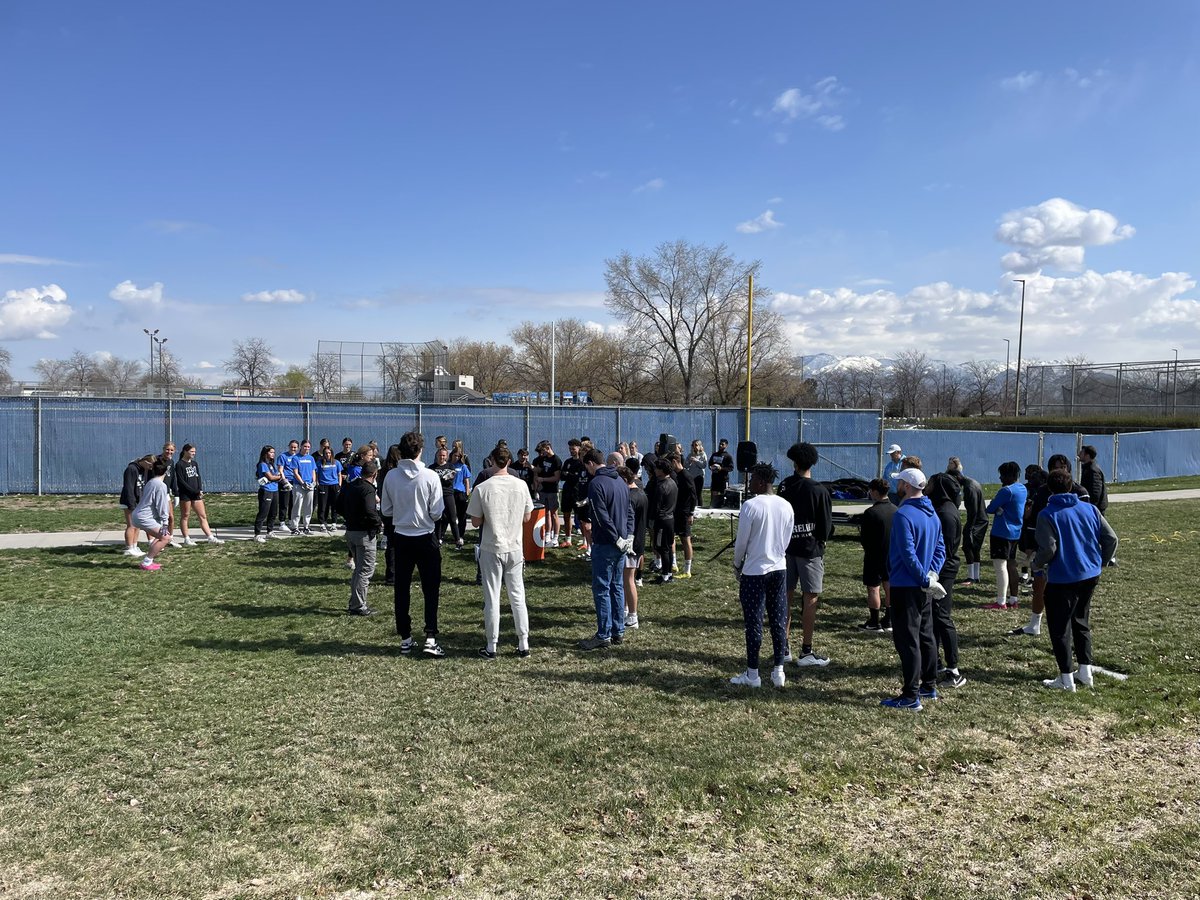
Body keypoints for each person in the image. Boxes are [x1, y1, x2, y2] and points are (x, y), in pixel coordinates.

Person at [1033, 469, 1119, 691]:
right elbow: (1111, 538)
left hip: (1062, 578)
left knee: (1059, 628)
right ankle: (1085, 671)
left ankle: (1066, 679)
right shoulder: (1090, 509)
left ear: (1049, 489)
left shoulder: (1047, 514)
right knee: (1081, 620)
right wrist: (1101, 561)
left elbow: (1048, 549)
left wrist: (1036, 564)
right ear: (1071, 486)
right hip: (1089, 574)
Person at [880, 468, 946, 710]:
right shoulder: (932, 513)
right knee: (926, 635)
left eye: (900, 483)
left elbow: (907, 554)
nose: (897, 486)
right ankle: (929, 685)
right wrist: (932, 574)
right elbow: (940, 549)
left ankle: (910, 695)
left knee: (908, 640)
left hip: (906, 584)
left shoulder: (903, 515)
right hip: (924, 585)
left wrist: (924, 578)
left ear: (907, 486)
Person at [379, 432, 446, 658]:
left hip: (401, 537)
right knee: (431, 589)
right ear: (421, 450)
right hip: (425, 536)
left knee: (401, 589)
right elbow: (437, 512)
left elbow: (386, 510)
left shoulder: (391, 476)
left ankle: (405, 638)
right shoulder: (430, 476)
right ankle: (430, 636)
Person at [729, 462, 794, 689]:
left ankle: (753, 674)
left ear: (762, 481)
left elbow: (741, 542)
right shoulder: (786, 505)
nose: (750, 483)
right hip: (779, 568)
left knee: (754, 622)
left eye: (753, 478)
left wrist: (737, 563)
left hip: (754, 571)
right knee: (778, 620)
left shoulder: (751, 506)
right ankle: (778, 671)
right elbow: (787, 538)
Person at [1011, 455, 1089, 637]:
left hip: (1071, 549)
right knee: (1039, 587)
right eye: (1054, 467)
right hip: (1046, 548)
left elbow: (1086, 522)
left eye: (1062, 466)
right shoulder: (1043, 491)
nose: (1059, 470)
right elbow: (1034, 519)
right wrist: (1029, 544)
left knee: (1070, 594)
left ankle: (1073, 631)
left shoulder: (1080, 492)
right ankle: (1035, 624)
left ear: (1068, 468)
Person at [467, 446, 534, 659]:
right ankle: (523, 642)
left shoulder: (482, 488)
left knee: (492, 597)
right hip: (514, 546)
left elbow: (475, 522)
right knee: (517, 596)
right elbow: (527, 516)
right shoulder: (521, 485)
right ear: (509, 461)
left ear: (492, 460)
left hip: (491, 547)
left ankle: (491, 645)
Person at [778, 442, 833, 667]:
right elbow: (826, 527)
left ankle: (783, 647)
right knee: (810, 598)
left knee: (785, 597)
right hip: (810, 550)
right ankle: (806, 650)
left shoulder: (784, 485)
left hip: (786, 548)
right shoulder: (819, 490)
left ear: (795, 463)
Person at [578, 448, 634, 651]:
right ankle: (618, 630)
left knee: (602, 588)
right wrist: (628, 535)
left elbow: (600, 516)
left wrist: (616, 538)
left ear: (591, 463)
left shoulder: (596, 483)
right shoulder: (620, 481)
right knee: (617, 586)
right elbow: (629, 511)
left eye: (587, 467)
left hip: (605, 542)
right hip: (621, 542)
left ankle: (604, 634)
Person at [926, 472, 966, 688]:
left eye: (930, 484)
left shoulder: (946, 514)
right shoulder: (940, 508)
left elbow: (945, 550)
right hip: (938, 570)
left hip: (944, 571)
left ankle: (954, 670)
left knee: (942, 616)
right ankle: (935, 661)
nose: (927, 486)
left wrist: (934, 573)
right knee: (934, 616)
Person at [338, 457, 382, 617]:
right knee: (365, 570)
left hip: (351, 531)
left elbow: (338, 506)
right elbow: (370, 510)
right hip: (364, 534)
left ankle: (355, 603)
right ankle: (358, 606)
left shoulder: (350, 485)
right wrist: (378, 523)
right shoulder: (368, 489)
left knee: (358, 570)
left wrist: (351, 517)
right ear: (375, 475)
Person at [985, 461, 1027, 610]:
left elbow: (991, 508)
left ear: (1009, 475)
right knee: (1011, 564)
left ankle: (1001, 601)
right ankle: (1013, 599)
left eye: (1002, 475)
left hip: (1001, 532)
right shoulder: (1022, 488)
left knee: (1000, 566)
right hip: (1015, 532)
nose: (1000, 478)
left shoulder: (1006, 491)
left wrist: (998, 508)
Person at [858, 478, 895, 633]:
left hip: (874, 555)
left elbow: (864, 538)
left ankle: (874, 621)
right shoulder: (896, 510)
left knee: (873, 588)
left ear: (874, 492)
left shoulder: (871, 513)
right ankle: (889, 619)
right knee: (889, 585)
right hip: (892, 555)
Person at [174, 444, 224, 544]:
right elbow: (181, 481)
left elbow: (198, 477)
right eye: (191, 451)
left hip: (196, 494)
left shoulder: (194, 463)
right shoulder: (179, 464)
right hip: (185, 494)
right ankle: (187, 539)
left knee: (202, 515)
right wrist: (193, 491)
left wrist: (199, 490)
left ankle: (210, 537)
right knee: (185, 515)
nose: (193, 453)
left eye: (194, 452)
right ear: (185, 451)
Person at [948, 457, 987, 585]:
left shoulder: (969, 488)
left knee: (967, 547)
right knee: (975, 548)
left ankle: (971, 577)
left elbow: (973, 510)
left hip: (976, 521)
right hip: (981, 520)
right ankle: (975, 576)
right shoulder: (972, 482)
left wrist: (969, 527)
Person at [130, 458, 174, 571]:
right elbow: (162, 504)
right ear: (166, 471)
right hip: (144, 517)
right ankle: (147, 562)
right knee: (166, 538)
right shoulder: (160, 485)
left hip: (139, 515)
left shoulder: (151, 482)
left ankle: (148, 561)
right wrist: (165, 522)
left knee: (160, 536)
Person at [621, 465, 648, 629]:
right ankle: (625, 611)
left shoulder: (630, 497)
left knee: (628, 579)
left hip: (631, 544)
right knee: (626, 579)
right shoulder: (641, 493)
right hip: (639, 541)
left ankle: (632, 616)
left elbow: (628, 522)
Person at [119, 454, 156, 557]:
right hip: (129, 501)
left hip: (139, 501)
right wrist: (131, 503)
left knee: (137, 525)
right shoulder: (131, 469)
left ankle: (134, 546)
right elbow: (129, 487)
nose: (151, 468)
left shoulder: (144, 470)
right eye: (150, 466)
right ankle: (129, 548)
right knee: (131, 525)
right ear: (146, 462)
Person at [651, 458, 678, 584]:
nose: (655, 470)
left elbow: (656, 506)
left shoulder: (661, 486)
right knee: (668, 547)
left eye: (657, 468)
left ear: (661, 470)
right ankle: (669, 573)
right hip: (670, 519)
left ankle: (665, 575)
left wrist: (652, 520)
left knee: (663, 548)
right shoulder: (672, 482)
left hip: (662, 520)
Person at [670, 453, 697, 577]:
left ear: (675, 462)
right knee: (671, 537)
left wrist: (691, 513)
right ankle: (673, 564)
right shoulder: (675, 475)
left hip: (685, 513)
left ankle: (687, 570)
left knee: (685, 540)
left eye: (670, 463)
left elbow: (693, 496)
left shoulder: (686, 475)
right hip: (675, 512)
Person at [532, 440, 563, 546]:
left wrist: (543, 479)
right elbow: (539, 470)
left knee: (554, 514)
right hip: (543, 490)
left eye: (543, 450)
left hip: (552, 490)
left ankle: (556, 537)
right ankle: (547, 534)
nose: (542, 453)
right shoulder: (543, 459)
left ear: (548, 448)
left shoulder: (556, 460)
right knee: (546, 513)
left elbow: (556, 477)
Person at [253, 445, 284, 543]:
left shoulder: (271, 464)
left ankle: (269, 532)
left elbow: (275, 475)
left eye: (274, 452)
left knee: (273, 513)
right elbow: (271, 477)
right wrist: (279, 477)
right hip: (266, 491)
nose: (273, 454)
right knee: (263, 513)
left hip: (274, 490)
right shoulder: (262, 464)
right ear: (265, 453)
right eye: (271, 452)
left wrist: (277, 476)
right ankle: (257, 535)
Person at [431, 447, 462, 546]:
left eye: (444, 455)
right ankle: (438, 539)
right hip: (435, 495)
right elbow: (431, 481)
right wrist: (443, 478)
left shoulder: (450, 467)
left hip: (448, 494)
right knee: (438, 518)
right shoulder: (431, 468)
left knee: (452, 517)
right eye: (440, 455)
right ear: (437, 455)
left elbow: (449, 480)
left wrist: (439, 479)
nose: (442, 457)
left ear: (447, 456)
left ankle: (457, 539)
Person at [288, 439, 318, 535]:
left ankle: (306, 526)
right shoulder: (296, 458)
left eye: (308, 447)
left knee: (308, 507)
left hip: (310, 486)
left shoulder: (311, 458)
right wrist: (302, 483)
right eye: (305, 446)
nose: (306, 448)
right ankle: (294, 527)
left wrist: (313, 482)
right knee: (297, 506)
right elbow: (295, 472)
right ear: (301, 446)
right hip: (298, 485)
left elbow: (313, 471)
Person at [559, 439, 585, 549]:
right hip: (567, 491)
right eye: (570, 449)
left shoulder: (581, 463)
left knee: (581, 517)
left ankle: (585, 541)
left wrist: (569, 474)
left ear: (579, 448)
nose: (571, 451)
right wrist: (570, 475)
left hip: (577, 492)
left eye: (573, 449)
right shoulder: (568, 462)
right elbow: (562, 476)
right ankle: (568, 539)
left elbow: (578, 477)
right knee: (566, 515)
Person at [158, 442, 182, 548]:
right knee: (159, 518)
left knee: (170, 517)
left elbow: (172, 478)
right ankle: (157, 540)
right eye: (167, 449)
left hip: (166, 493)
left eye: (171, 450)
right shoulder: (157, 460)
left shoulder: (171, 462)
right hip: (157, 493)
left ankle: (169, 539)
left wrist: (176, 494)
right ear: (163, 449)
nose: (169, 452)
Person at [315, 445, 343, 533]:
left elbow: (339, 474)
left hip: (334, 485)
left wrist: (339, 485)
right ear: (323, 454)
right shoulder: (319, 463)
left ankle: (334, 523)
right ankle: (322, 523)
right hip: (323, 486)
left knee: (335, 505)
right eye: (326, 453)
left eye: (329, 453)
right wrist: (317, 484)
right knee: (323, 505)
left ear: (332, 454)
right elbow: (316, 474)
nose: (328, 455)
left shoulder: (336, 462)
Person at [450, 448, 472, 544]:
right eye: (455, 455)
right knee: (449, 515)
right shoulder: (449, 466)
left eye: (458, 456)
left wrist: (467, 493)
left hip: (460, 492)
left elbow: (466, 480)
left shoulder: (463, 466)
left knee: (461, 515)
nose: (457, 457)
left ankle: (461, 535)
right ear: (451, 455)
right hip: (450, 492)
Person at [1078, 445, 1109, 515]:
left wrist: (1090, 508)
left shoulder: (1093, 470)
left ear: (1087, 456)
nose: (1079, 454)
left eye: (1081, 453)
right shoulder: (1088, 468)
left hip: (1095, 509)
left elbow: (1095, 493)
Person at [708, 438, 734, 508]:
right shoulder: (714, 454)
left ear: (726, 446)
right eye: (720, 444)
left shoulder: (728, 456)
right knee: (714, 493)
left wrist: (721, 468)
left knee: (724, 494)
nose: (720, 445)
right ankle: (713, 506)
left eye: (722, 444)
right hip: (715, 478)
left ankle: (723, 506)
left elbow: (731, 468)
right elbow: (710, 463)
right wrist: (711, 467)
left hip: (723, 479)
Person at [279, 439, 300, 527]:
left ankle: (291, 520)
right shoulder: (283, 456)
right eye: (291, 447)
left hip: (295, 482)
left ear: (298, 448)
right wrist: (285, 481)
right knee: (284, 503)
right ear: (289, 446)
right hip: (286, 481)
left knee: (293, 502)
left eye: (295, 447)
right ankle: (282, 522)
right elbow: (280, 470)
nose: (293, 449)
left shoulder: (298, 457)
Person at [686, 440, 707, 507]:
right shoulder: (690, 455)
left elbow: (703, 465)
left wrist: (696, 460)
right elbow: (685, 465)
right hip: (691, 476)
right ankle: (692, 507)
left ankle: (700, 508)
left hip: (699, 476)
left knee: (698, 493)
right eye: (693, 445)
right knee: (692, 493)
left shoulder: (702, 454)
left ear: (700, 446)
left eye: (696, 445)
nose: (694, 447)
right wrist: (689, 462)